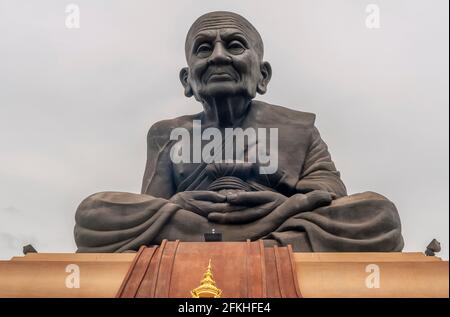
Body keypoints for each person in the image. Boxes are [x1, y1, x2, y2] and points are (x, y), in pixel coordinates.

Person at [74, 11, 404, 253]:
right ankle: (258, 244)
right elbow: (151, 210)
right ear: (187, 81)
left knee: (378, 214)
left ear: (263, 75)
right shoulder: (167, 133)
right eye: (203, 48)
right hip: (205, 226)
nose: (218, 56)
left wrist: (282, 206)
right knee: (94, 213)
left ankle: (231, 240)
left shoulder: (297, 127)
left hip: (276, 222)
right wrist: (179, 203)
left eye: (234, 46)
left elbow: (329, 194)